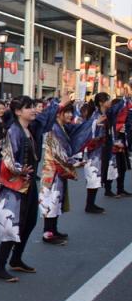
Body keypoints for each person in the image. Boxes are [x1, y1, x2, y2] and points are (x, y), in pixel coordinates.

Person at [0, 96, 60, 282]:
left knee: (29, 222)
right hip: (14, 186)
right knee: (11, 225)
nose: (33, 110)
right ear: (18, 111)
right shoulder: (13, 131)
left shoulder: (30, 129)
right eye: (28, 107)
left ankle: (16, 258)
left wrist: (60, 104)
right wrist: (18, 169)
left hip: (28, 183)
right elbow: (7, 157)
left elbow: (47, 119)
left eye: (33, 107)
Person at [40, 101, 98, 245]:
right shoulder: (53, 128)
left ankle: (53, 229)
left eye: (71, 112)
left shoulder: (62, 127)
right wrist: (73, 162)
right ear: (59, 113)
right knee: (51, 200)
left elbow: (79, 130)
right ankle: (48, 232)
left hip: (58, 168)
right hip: (52, 169)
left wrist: (95, 122)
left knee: (57, 199)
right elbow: (57, 152)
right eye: (67, 112)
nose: (71, 115)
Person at [81, 93, 120, 213]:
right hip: (95, 150)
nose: (110, 102)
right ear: (101, 102)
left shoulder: (105, 114)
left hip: (103, 148)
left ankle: (92, 203)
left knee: (98, 176)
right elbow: (90, 132)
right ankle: (89, 204)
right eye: (108, 100)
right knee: (93, 176)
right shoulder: (95, 115)